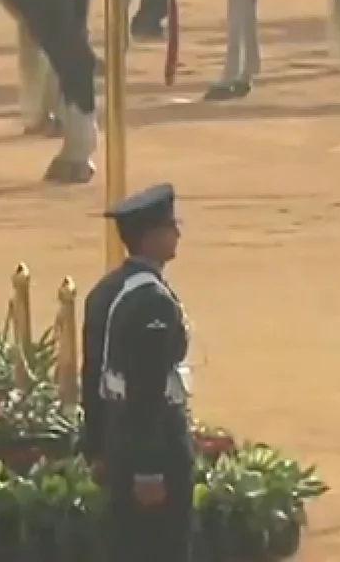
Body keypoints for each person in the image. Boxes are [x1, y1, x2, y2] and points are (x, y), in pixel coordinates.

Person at [80, 183, 192, 562]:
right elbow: (147, 390)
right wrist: (149, 471)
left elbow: (92, 375)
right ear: (150, 237)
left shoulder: (106, 290)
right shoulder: (152, 304)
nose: (177, 234)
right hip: (151, 450)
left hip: (116, 439)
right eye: (169, 227)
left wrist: (96, 446)